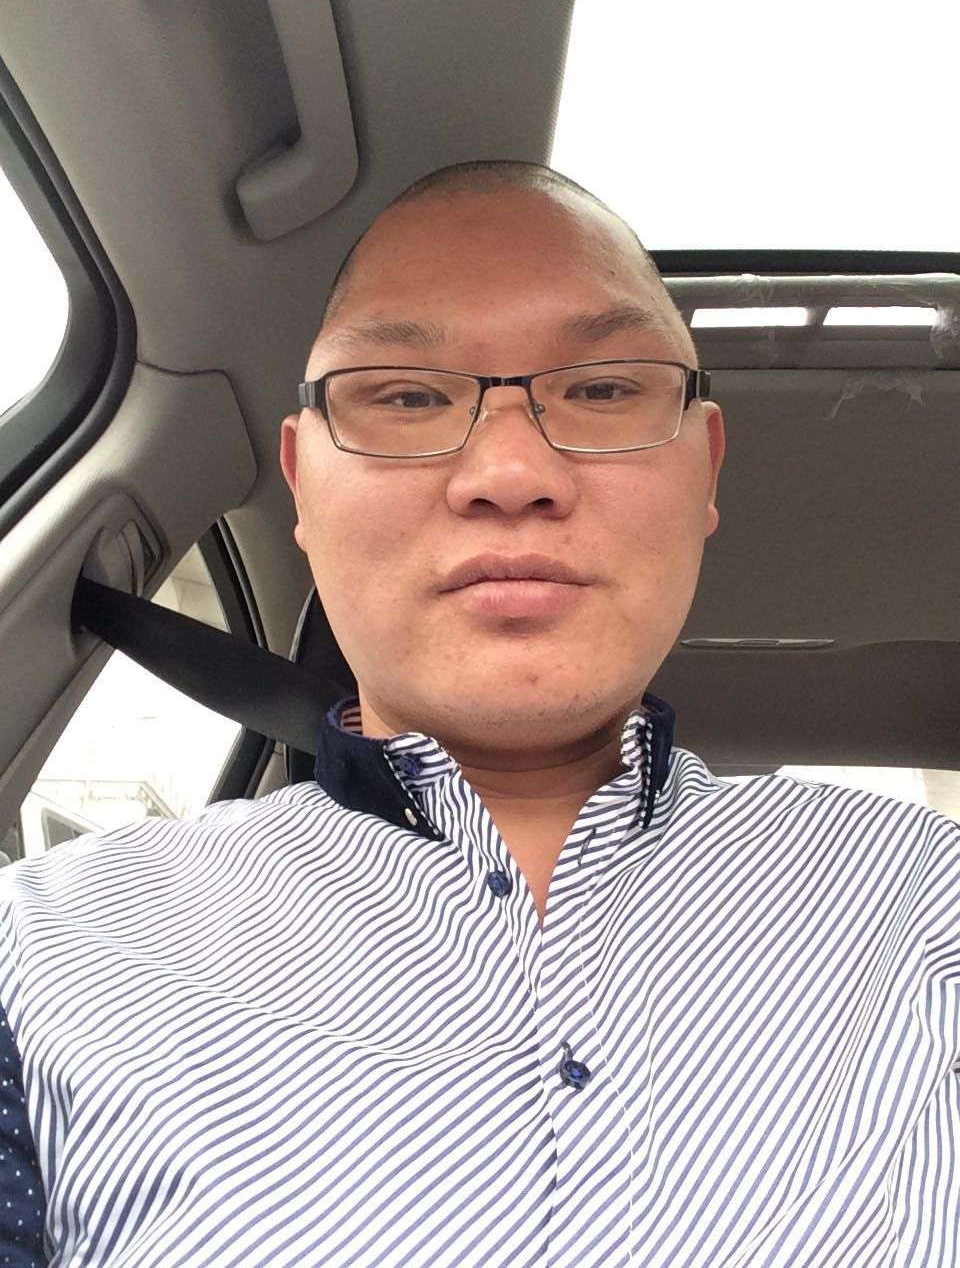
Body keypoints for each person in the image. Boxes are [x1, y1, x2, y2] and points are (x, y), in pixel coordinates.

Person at [0, 160, 957, 1268]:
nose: (509, 471)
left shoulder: (931, 903)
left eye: (604, 390)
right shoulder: (40, 950)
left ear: (705, 468)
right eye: (408, 397)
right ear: (303, 482)